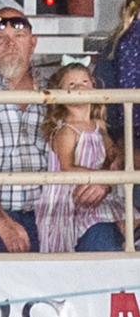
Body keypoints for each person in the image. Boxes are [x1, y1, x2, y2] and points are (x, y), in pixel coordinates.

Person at [0, 8, 121, 254]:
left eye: (19, 35)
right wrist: (1, 222)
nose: (10, 43)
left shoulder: (59, 95)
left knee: (105, 244)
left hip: (58, 211)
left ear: (33, 43)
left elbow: (103, 144)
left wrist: (103, 182)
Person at [36, 63, 123, 254]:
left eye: (85, 82)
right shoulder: (66, 130)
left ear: (93, 87)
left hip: (99, 190)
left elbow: (111, 153)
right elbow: (66, 167)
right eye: (72, 85)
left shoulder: (99, 125)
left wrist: (114, 161)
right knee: (108, 219)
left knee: (128, 217)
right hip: (73, 197)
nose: (80, 87)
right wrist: (99, 177)